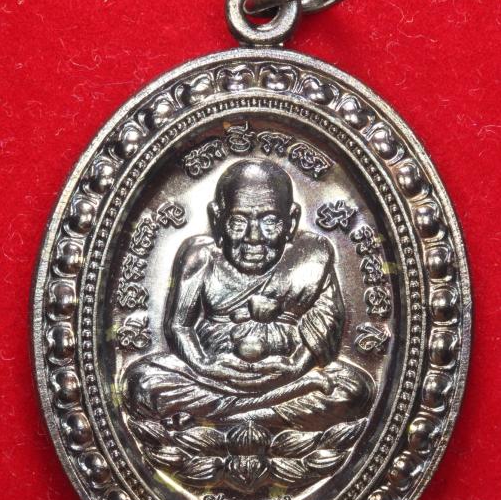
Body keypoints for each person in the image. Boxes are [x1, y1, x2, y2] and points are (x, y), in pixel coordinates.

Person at [123, 158, 374, 431]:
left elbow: (327, 324)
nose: (254, 237)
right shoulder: (200, 256)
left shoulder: (313, 255)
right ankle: (259, 416)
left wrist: (295, 366)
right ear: (217, 219)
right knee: (141, 385)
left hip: (287, 375)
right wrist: (204, 364)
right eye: (238, 221)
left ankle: (213, 420)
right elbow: (179, 326)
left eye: (270, 221)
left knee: (354, 391)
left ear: (291, 221)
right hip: (212, 376)